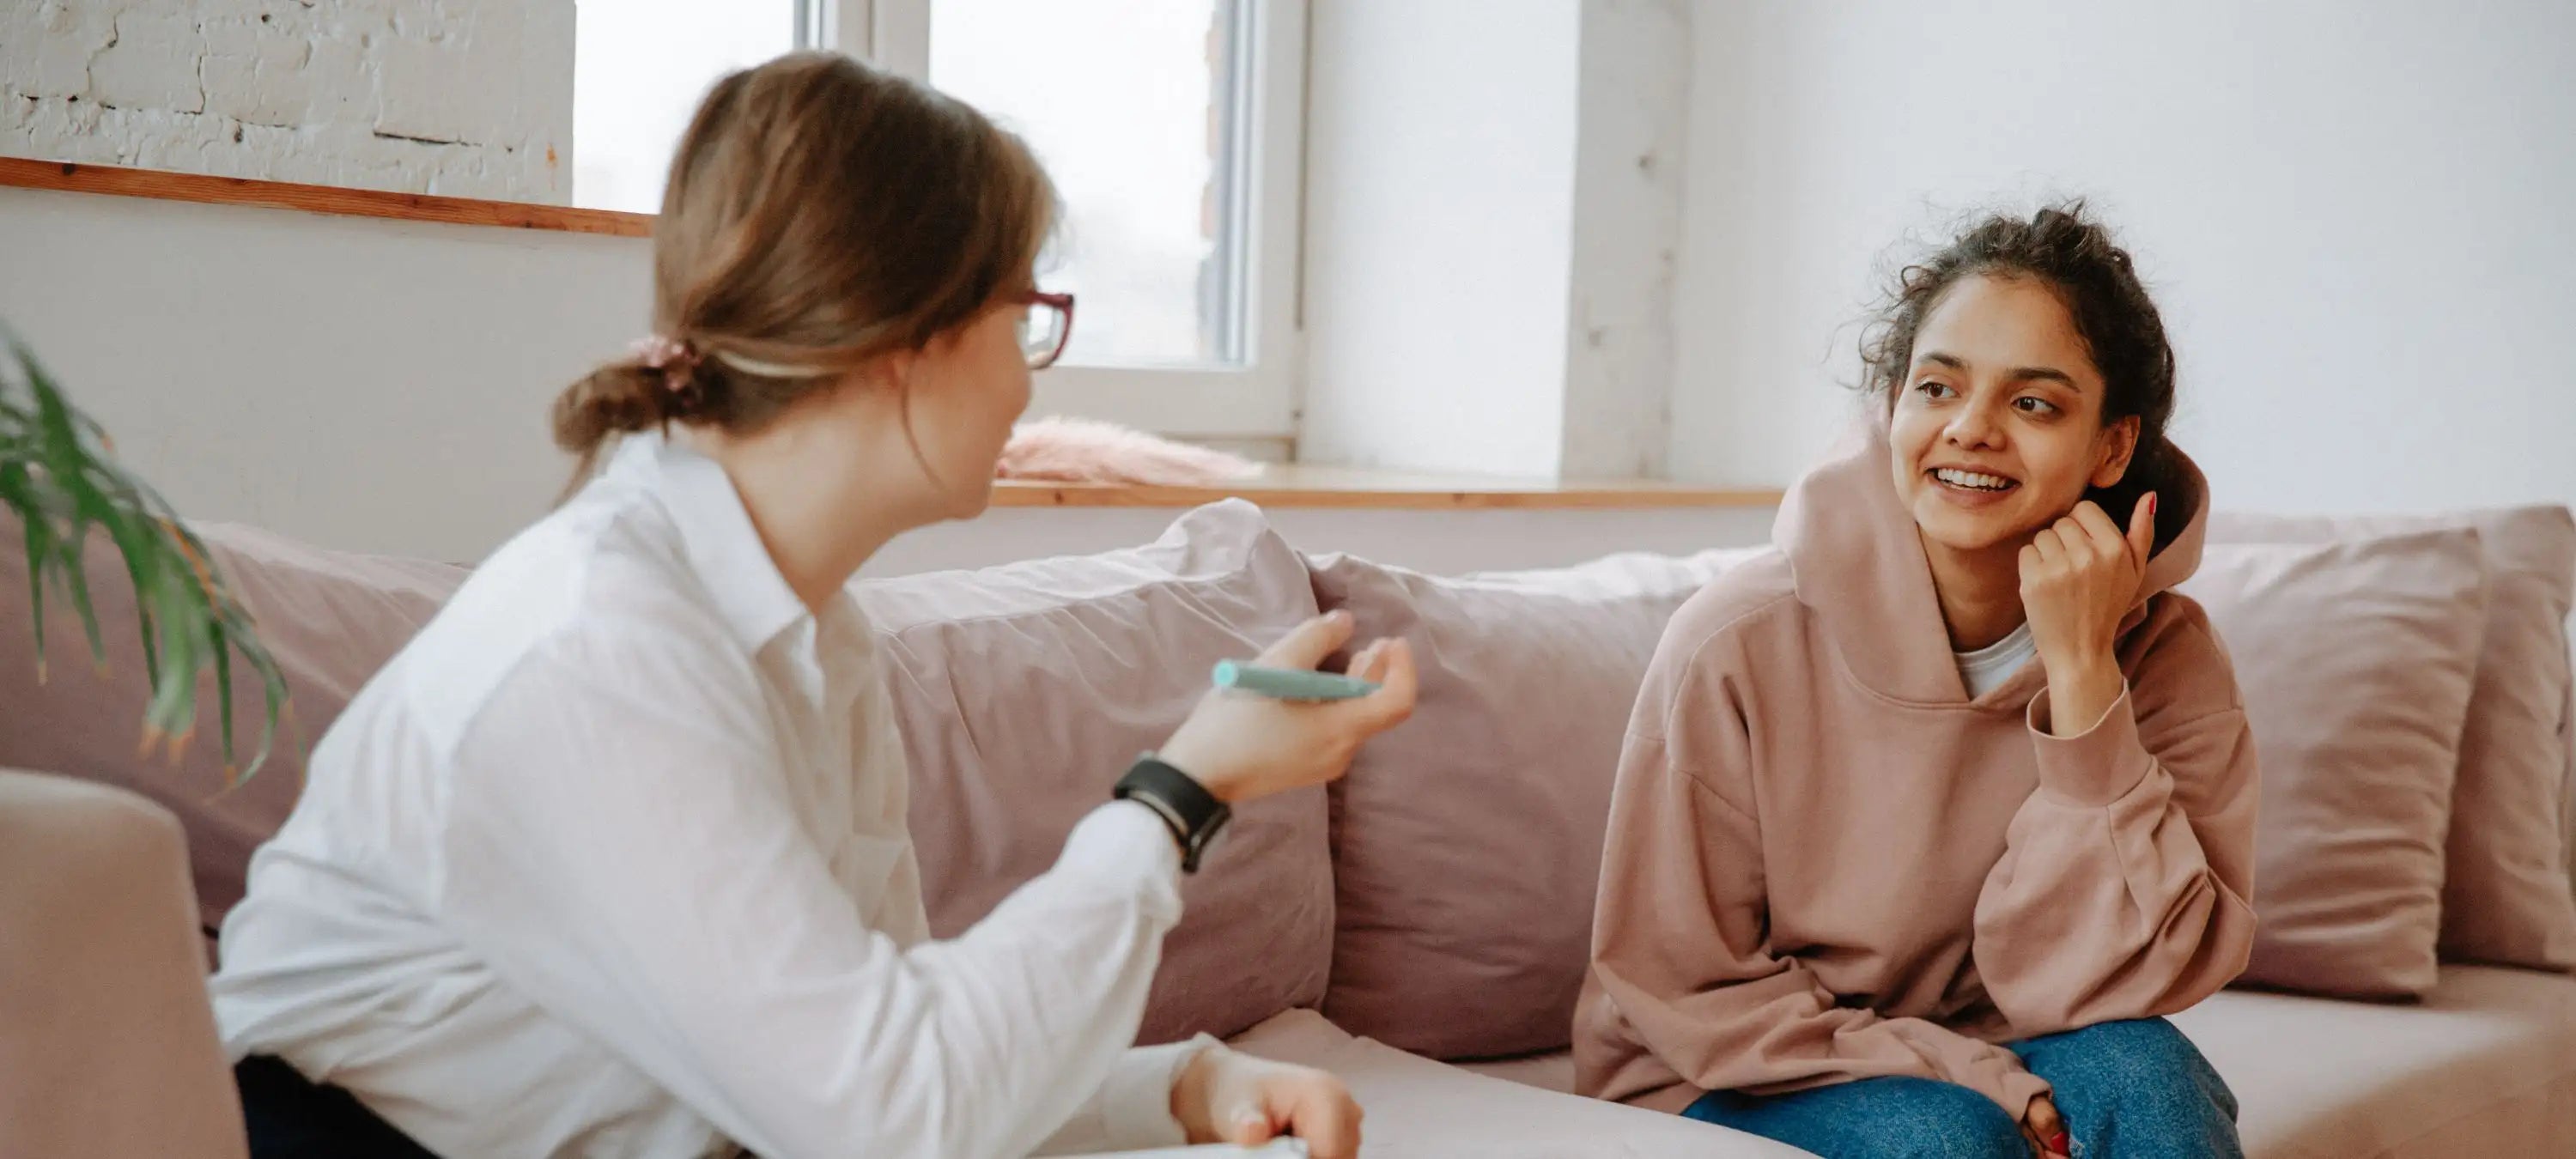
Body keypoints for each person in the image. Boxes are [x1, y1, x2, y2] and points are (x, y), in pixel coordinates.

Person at [209, 52, 1415, 1159]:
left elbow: (884, 1053)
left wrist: (1179, 1090)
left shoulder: (812, 632)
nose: (1031, 373)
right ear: (908, 335)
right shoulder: (603, 646)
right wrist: (1180, 792)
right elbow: (884, 1112)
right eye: (1027, 315)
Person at [1575, 205, 2256, 1159]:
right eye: (1938, 388)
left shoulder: (2170, 658)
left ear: (2111, 445)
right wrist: (1971, 1072)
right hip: (1725, 1070)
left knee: (2152, 1078)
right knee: (1942, 1141)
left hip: (2005, 1038)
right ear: (1893, 403)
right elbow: (1683, 985)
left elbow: (2127, 983)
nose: (1971, 431)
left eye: (2035, 404)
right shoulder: (1734, 643)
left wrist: (2082, 679)